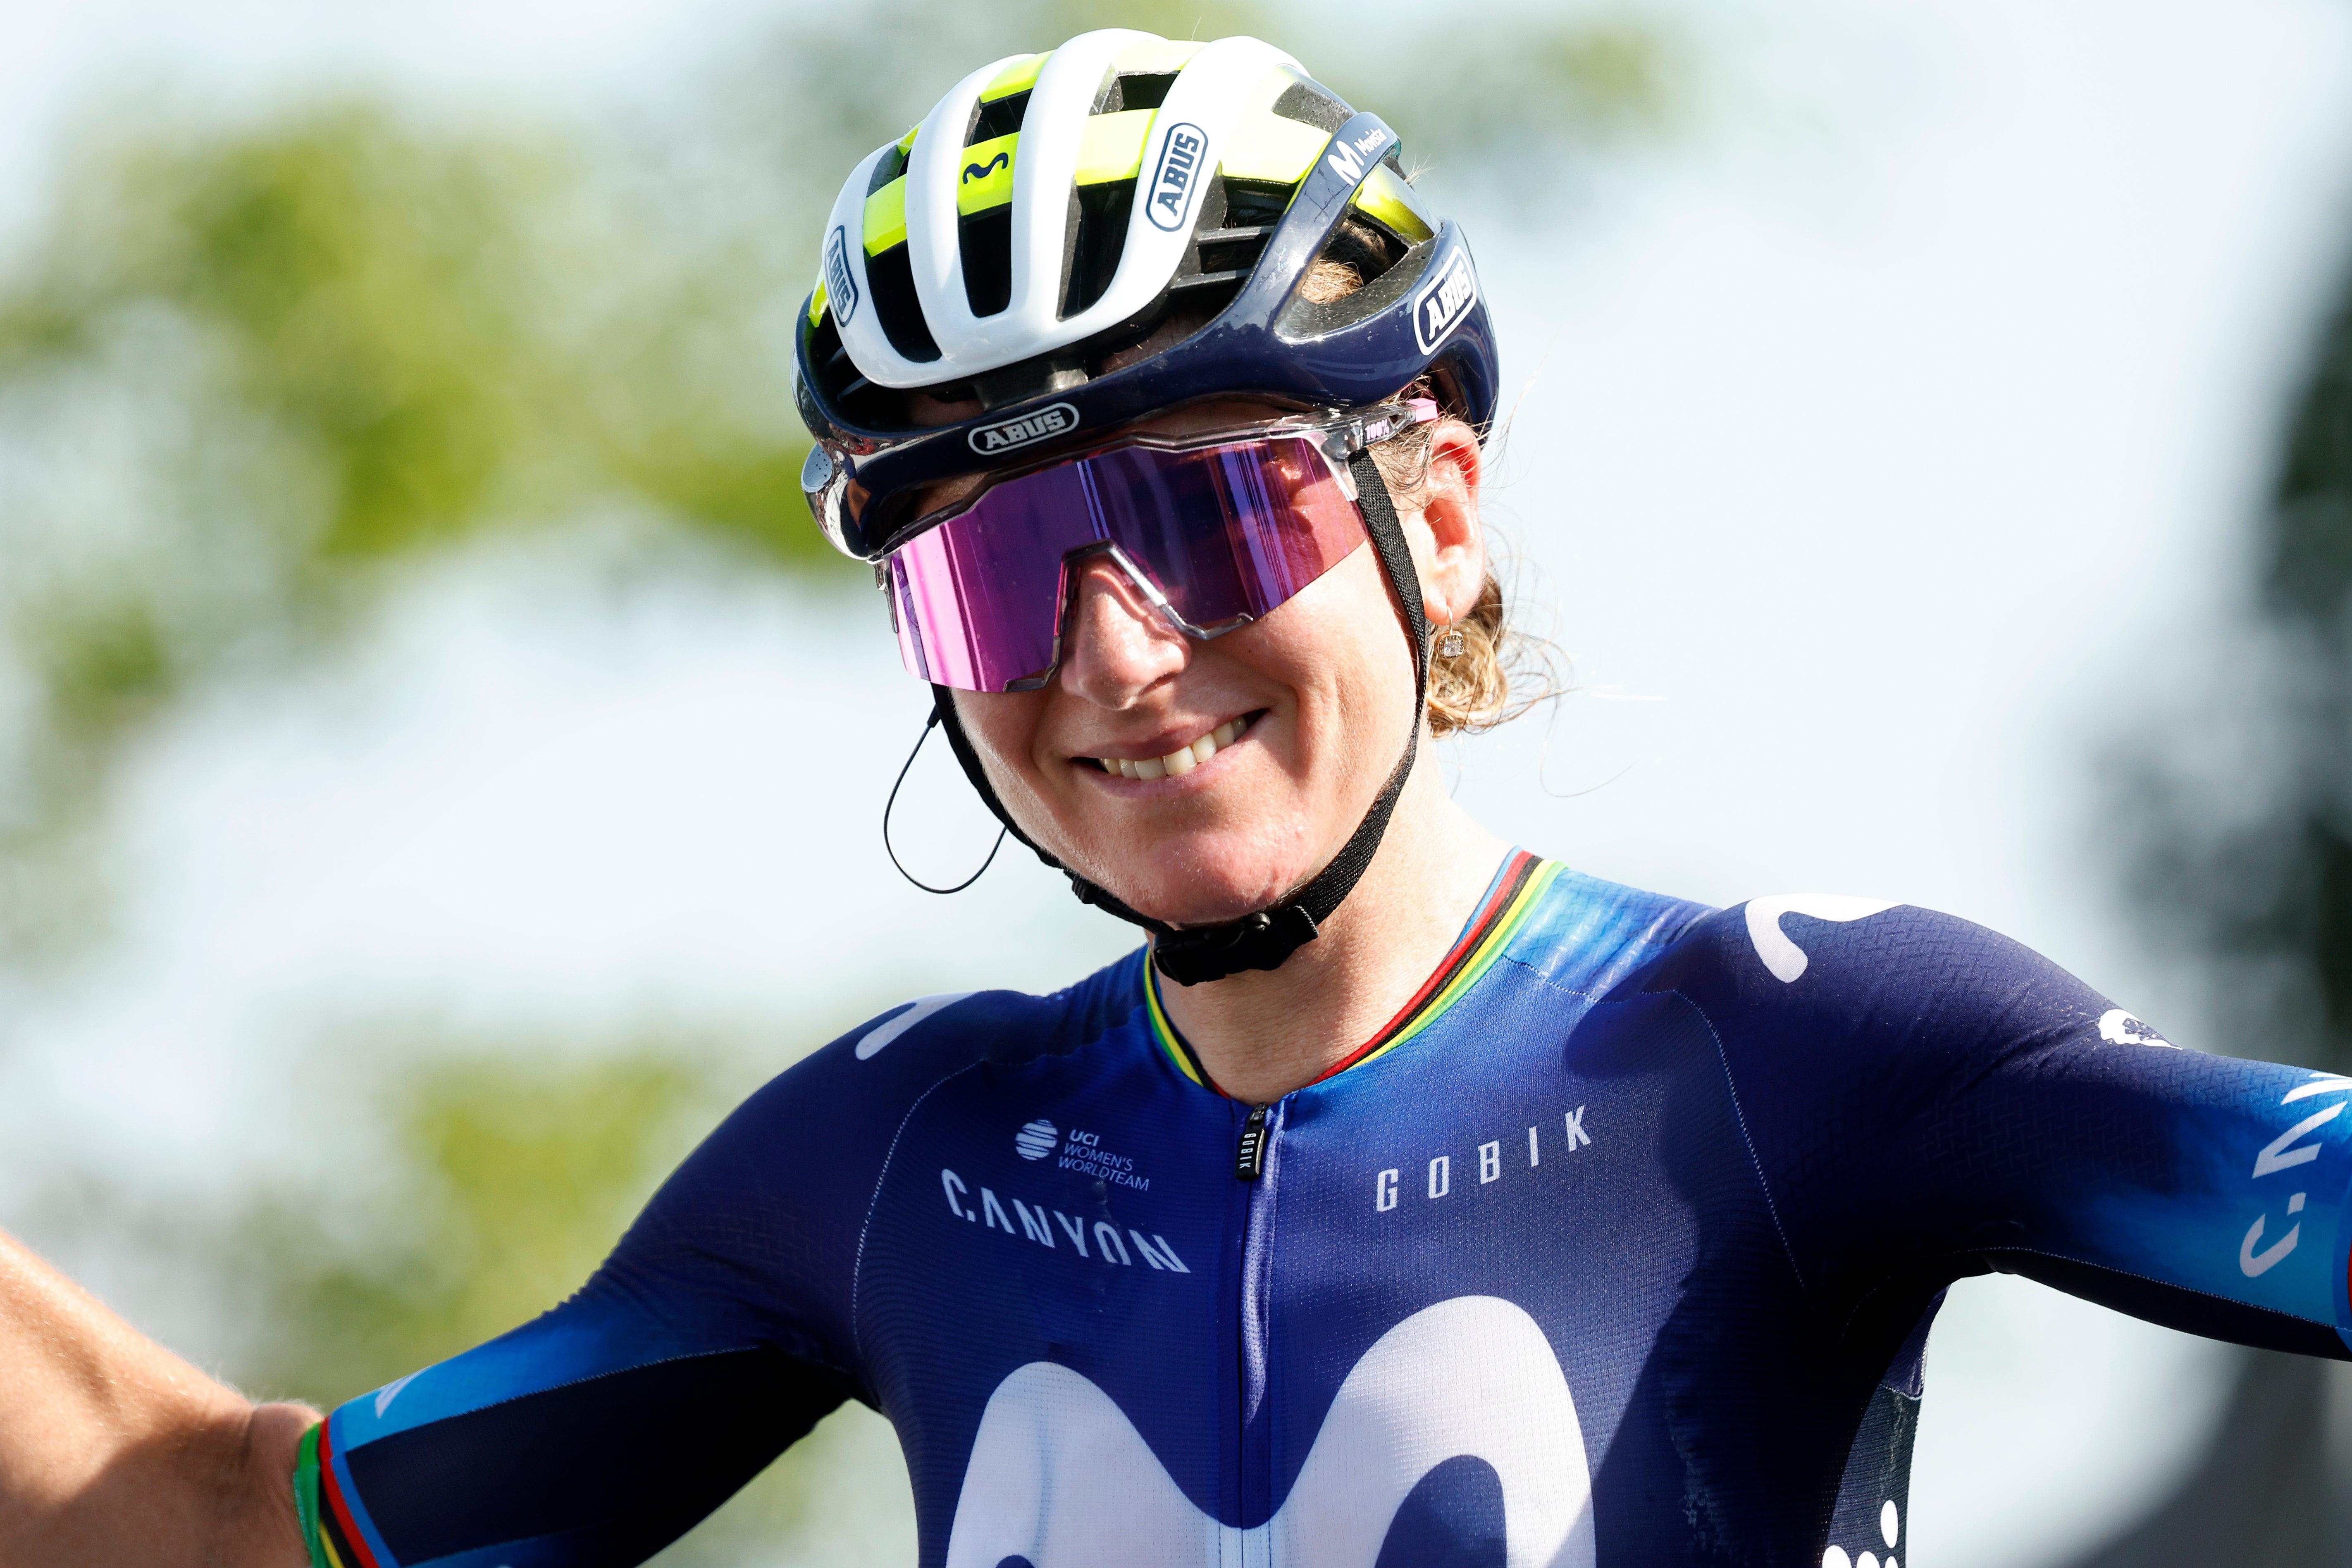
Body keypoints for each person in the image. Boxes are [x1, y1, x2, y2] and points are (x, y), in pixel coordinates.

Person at [2, 27, 2347, 1568]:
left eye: (1211, 516)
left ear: (1434, 509)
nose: (1116, 653)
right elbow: (229, 1528)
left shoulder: (1793, 1053)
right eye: (1000, 568)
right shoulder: (891, 1152)